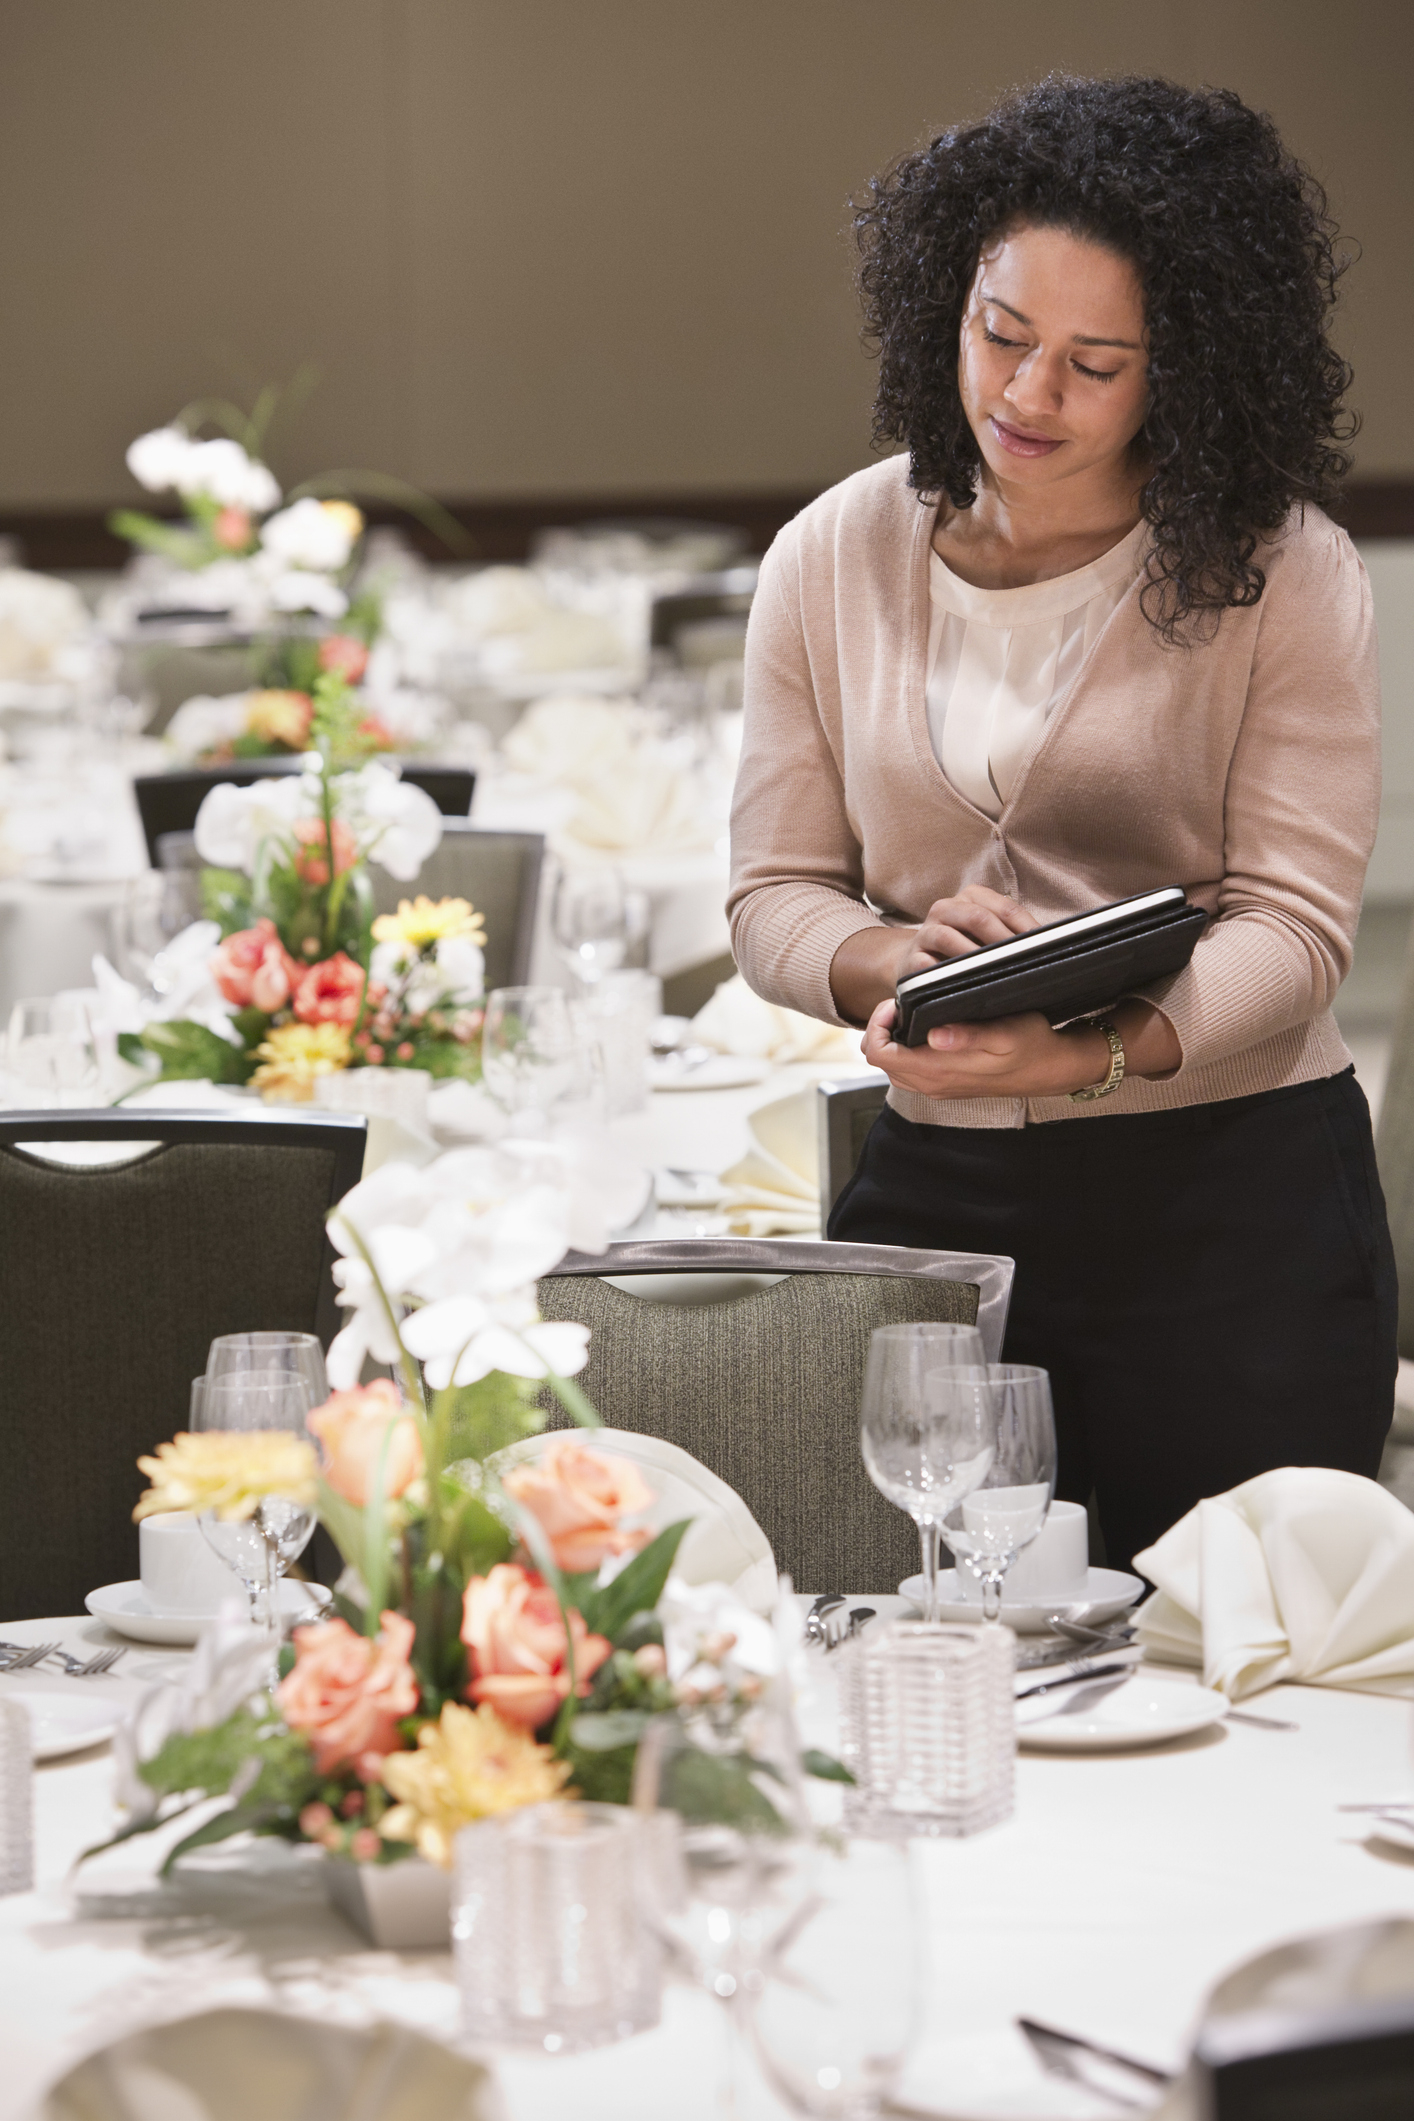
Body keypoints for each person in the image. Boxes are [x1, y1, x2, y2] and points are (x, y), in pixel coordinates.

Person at [727, 75, 1396, 1573]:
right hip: (939, 1189)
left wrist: (1095, 1049)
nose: (1026, 397)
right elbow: (771, 892)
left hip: (1231, 1203)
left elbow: (1293, 931)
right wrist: (883, 953)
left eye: (1096, 364)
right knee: (930, 1628)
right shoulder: (831, 554)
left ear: (1191, 370)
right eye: (1000, 334)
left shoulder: (1280, 574)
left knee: (1233, 1672)